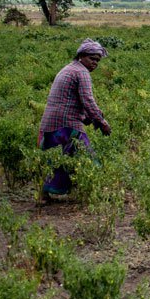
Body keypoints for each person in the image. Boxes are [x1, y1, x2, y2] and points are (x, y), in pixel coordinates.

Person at [38, 38, 111, 197]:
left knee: (56, 160)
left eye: (97, 61)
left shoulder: (69, 68)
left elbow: (71, 100)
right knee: (86, 156)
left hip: (51, 123)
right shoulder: (81, 72)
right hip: (66, 125)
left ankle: (46, 194)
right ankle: (95, 191)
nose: (95, 63)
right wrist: (102, 121)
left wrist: (88, 119)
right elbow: (87, 100)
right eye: (92, 59)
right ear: (81, 56)